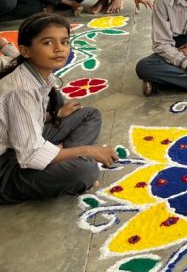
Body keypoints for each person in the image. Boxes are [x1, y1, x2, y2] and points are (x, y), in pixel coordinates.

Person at [0, 13, 117, 204]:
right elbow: (29, 155)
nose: (59, 49)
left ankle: (60, 156)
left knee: (89, 115)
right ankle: (66, 160)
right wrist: (87, 151)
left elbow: (24, 119)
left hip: (19, 143)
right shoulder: (21, 91)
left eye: (64, 42)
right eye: (48, 43)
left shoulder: (32, 71)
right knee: (85, 171)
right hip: (6, 166)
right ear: (26, 50)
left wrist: (56, 114)